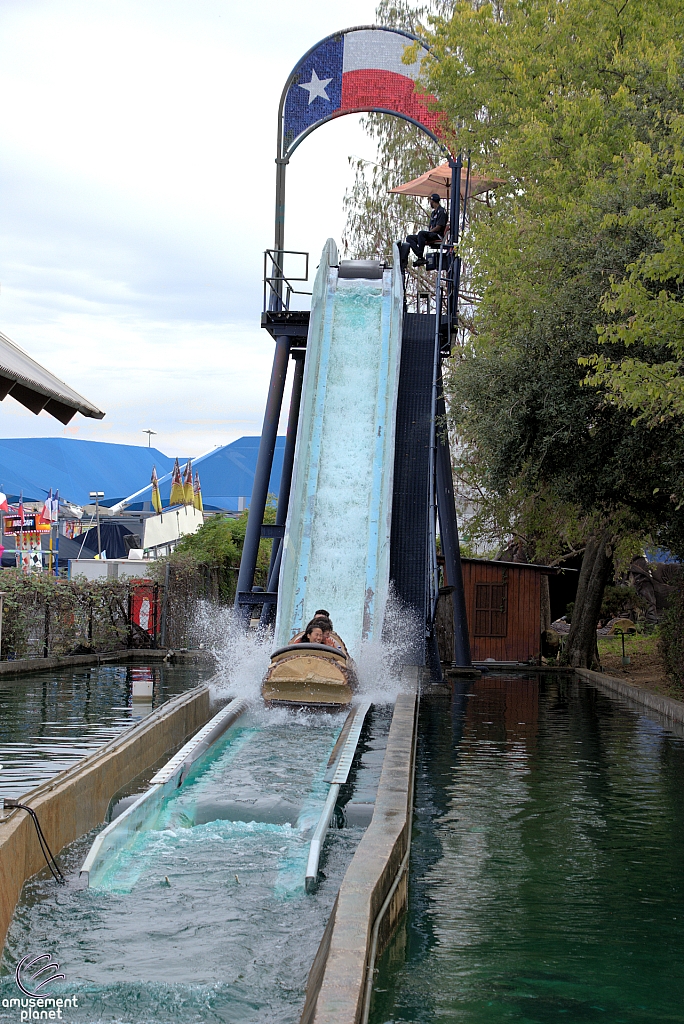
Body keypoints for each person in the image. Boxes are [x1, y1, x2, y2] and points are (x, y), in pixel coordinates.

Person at [398, 193, 448, 270]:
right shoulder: (433, 213)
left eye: (430, 201)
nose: (430, 203)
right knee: (409, 238)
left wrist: (429, 233)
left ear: (433, 201)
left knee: (421, 233)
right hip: (431, 235)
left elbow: (438, 227)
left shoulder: (441, 211)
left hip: (437, 235)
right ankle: (420, 256)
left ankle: (420, 255)